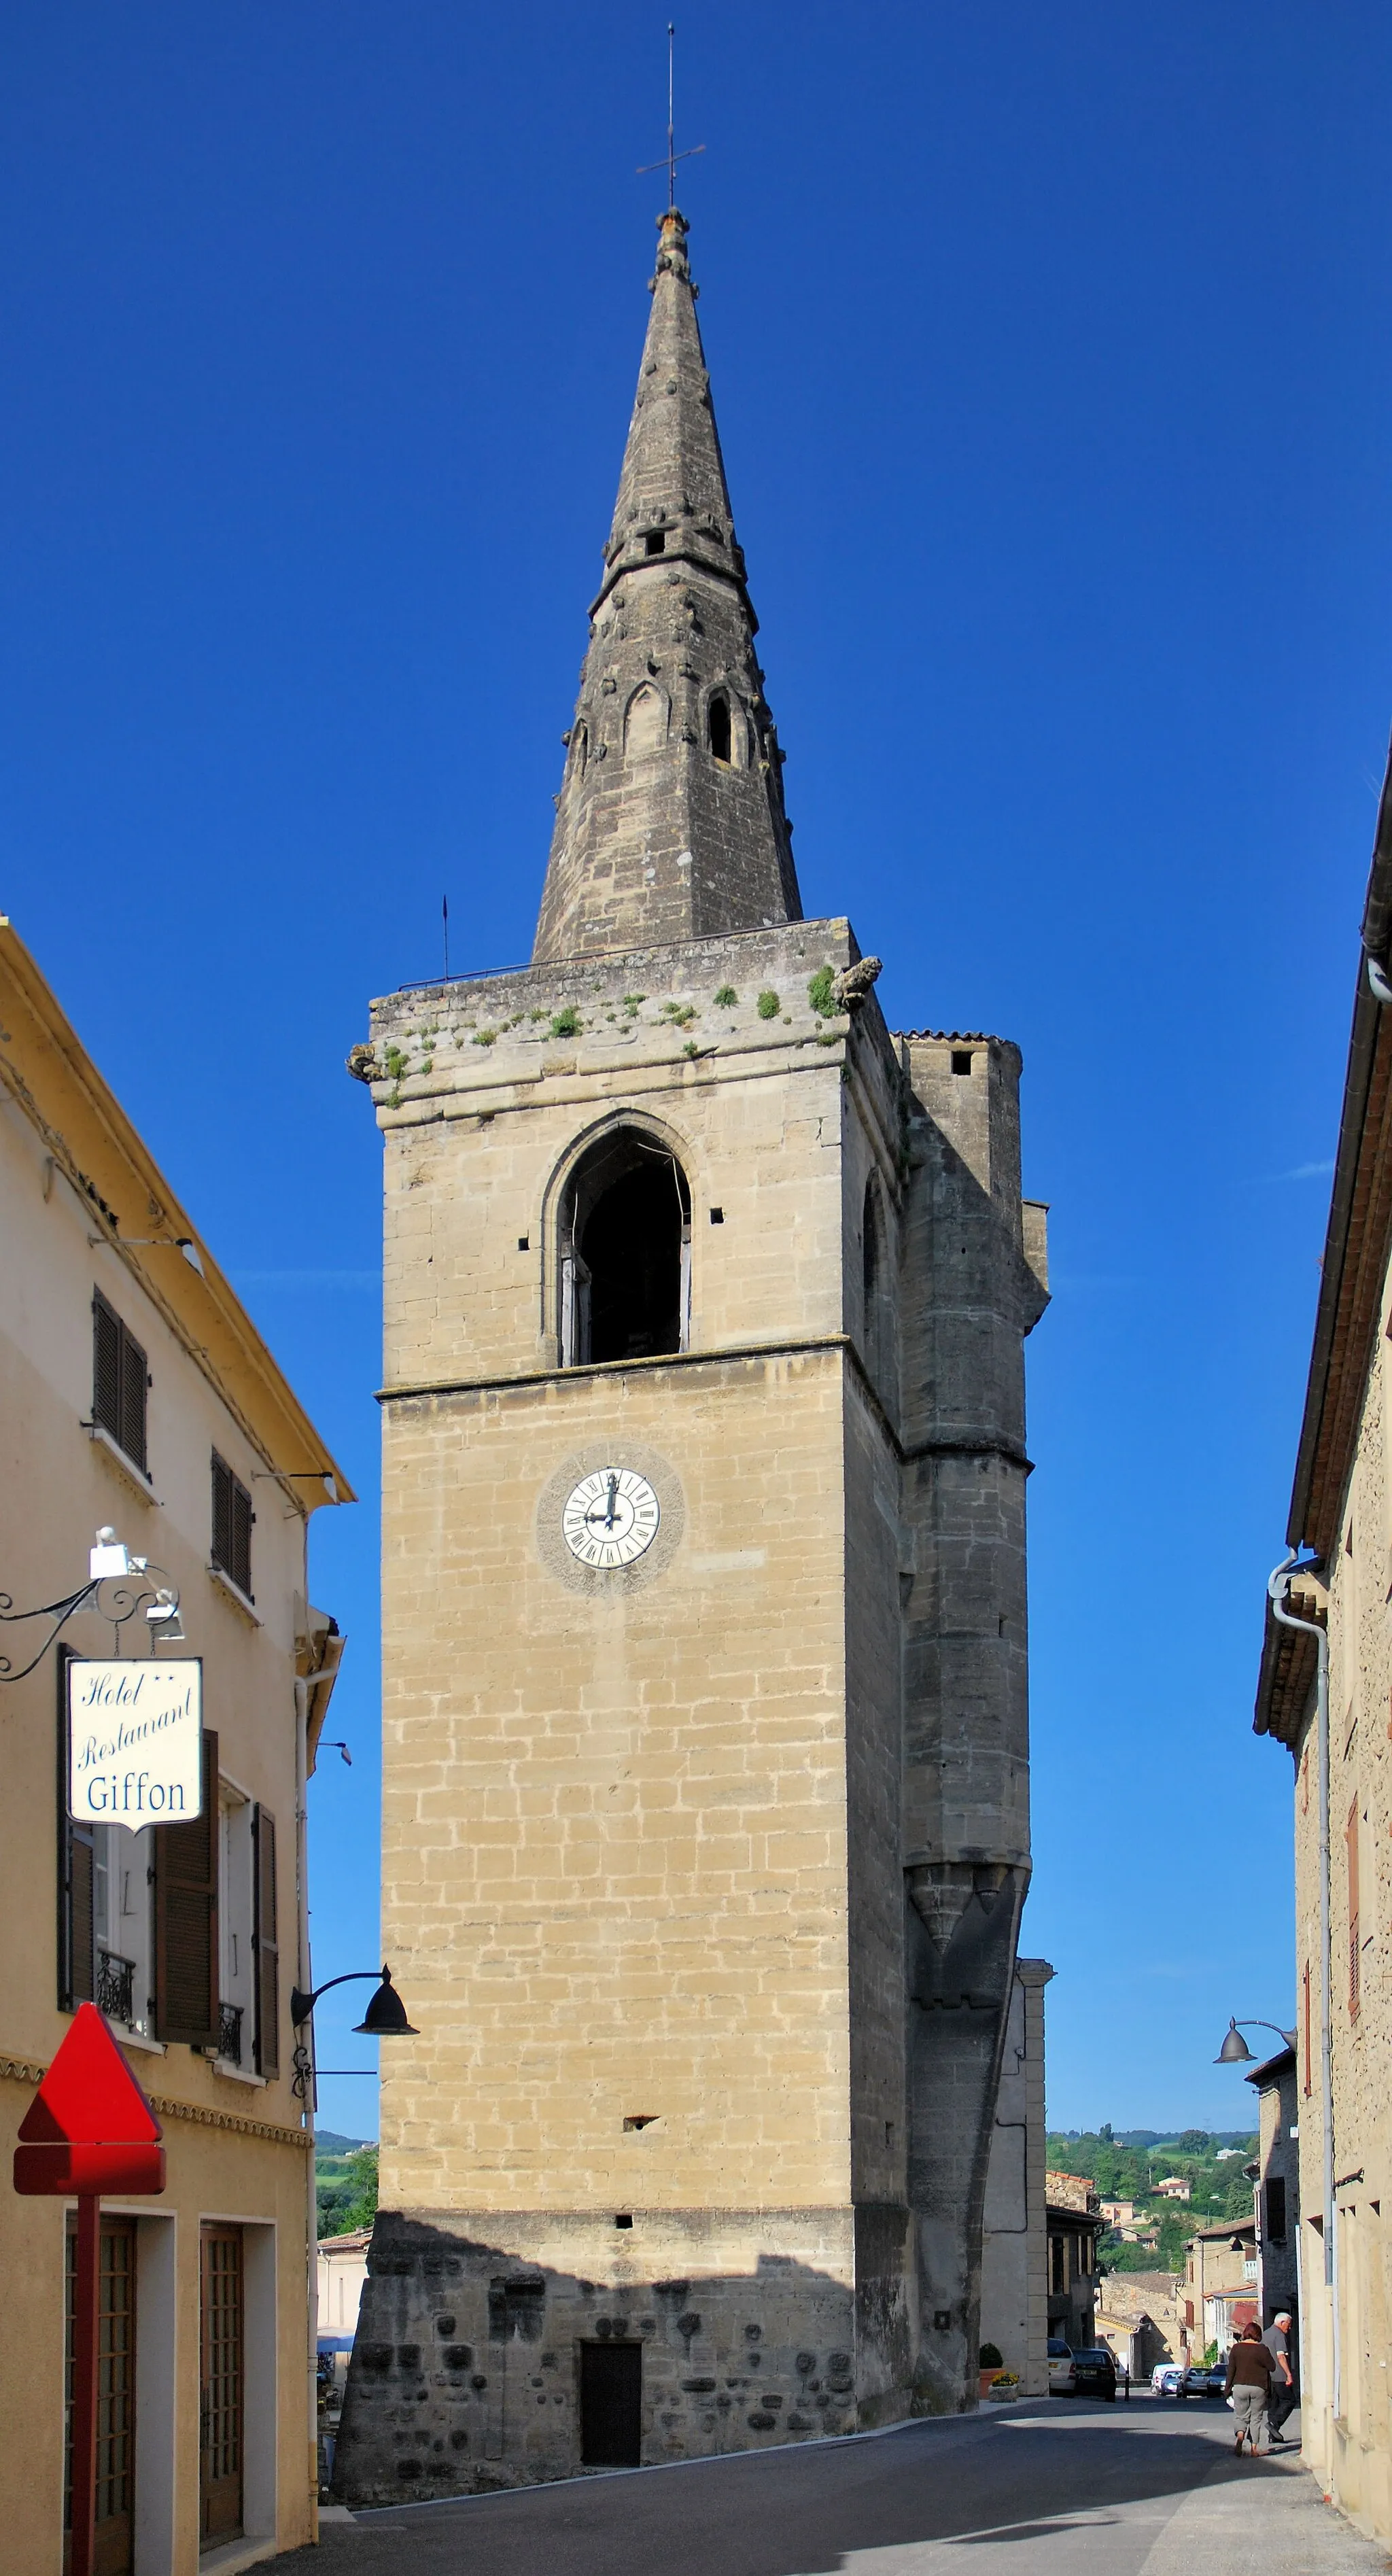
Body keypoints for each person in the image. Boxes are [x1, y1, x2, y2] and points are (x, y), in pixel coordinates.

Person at [1225, 2321, 1278, 2454]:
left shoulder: (1236, 2349)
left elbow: (1231, 2370)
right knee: (1256, 2418)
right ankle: (1254, 2449)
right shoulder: (1262, 2349)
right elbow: (1272, 2367)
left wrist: (1227, 2390)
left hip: (1240, 2386)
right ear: (1258, 2335)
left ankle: (1240, 2435)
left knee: (1240, 2415)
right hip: (1259, 2388)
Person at [1263, 2311, 1297, 2442]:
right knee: (1289, 2400)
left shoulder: (1265, 2334)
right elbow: (1281, 2356)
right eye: (1288, 2325)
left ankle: (1273, 2436)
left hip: (1268, 2375)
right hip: (1279, 2375)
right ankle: (1274, 2424)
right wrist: (1289, 2374)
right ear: (1282, 2322)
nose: (1289, 2329)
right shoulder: (1279, 2335)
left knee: (1274, 2404)